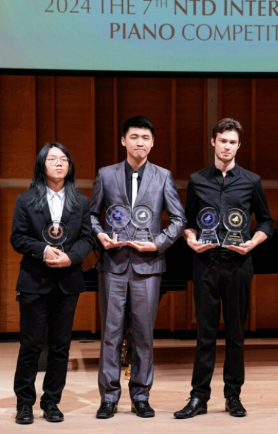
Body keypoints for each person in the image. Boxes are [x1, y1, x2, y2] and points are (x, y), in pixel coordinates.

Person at [174, 118, 274, 419]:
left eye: (233, 142)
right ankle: (198, 397)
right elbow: (189, 222)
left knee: (235, 334)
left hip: (238, 264)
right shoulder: (197, 180)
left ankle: (233, 396)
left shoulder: (251, 181)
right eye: (223, 140)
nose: (227, 146)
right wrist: (190, 239)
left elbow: (266, 220)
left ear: (238, 145)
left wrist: (253, 242)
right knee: (205, 333)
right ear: (213, 142)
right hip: (205, 263)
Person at [89, 115, 186, 419]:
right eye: (134, 137)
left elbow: (180, 220)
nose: (140, 142)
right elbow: (91, 215)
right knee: (111, 334)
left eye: (145, 137)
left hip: (148, 265)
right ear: (123, 141)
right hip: (113, 265)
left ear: (152, 142)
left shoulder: (163, 176)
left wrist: (157, 243)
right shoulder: (106, 175)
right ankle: (109, 398)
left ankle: (141, 395)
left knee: (143, 335)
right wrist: (101, 235)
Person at [10, 142, 95, 425]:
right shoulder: (26, 200)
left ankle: (51, 402)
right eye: (52, 159)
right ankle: (24, 403)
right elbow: (18, 238)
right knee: (31, 345)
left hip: (67, 282)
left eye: (64, 159)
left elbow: (87, 238)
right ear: (41, 165)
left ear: (70, 166)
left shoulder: (81, 201)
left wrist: (71, 257)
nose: (59, 163)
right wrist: (43, 250)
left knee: (60, 346)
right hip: (34, 281)